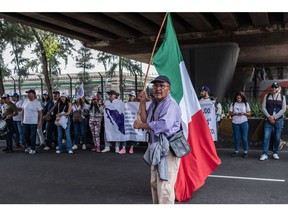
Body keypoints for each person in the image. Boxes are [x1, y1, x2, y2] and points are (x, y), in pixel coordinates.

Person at [133, 75, 182, 204]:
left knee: (164, 185)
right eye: (155, 86)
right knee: (155, 182)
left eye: (162, 86)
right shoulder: (155, 103)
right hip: (157, 147)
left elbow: (163, 125)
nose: (158, 89)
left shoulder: (170, 104)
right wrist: (143, 102)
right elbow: (145, 119)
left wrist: (141, 126)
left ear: (169, 89)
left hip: (168, 148)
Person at [260, 82, 286, 161]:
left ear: (278, 88)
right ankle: (264, 153)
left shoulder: (282, 97)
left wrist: (274, 117)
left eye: (276, 87)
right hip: (268, 119)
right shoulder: (267, 96)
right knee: (266, 137)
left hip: (279, 120)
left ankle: (275, 152)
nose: (274, 88)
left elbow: (283, 109)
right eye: (273, 87)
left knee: (277, 137)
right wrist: (269, 117)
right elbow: (263, 107)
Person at [229, 91, 251, 158]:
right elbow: (230, 113)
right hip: (235, 122)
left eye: (240, 98)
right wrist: (234, 113)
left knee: (244, 138)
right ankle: (236, 151)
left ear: (242, 98)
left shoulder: (245, 104)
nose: (239, 99)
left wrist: (244, 113)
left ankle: (245, 151)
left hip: (244, 122)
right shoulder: (233, 104)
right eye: (238, 98)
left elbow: (249, 113)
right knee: (236, 137)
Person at [21, 89, 43, 155]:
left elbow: (40, 112)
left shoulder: (37, 102)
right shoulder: (25, 101)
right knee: (26, 135)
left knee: (32, 136)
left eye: (30, 93)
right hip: (25, 122)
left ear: (34, 95)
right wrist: (22, 120)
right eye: (28, 94)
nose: (28, 95)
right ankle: (29, 146)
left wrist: (39, 122)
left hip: (33, 122)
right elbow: (23, 111)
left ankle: (33, 149)